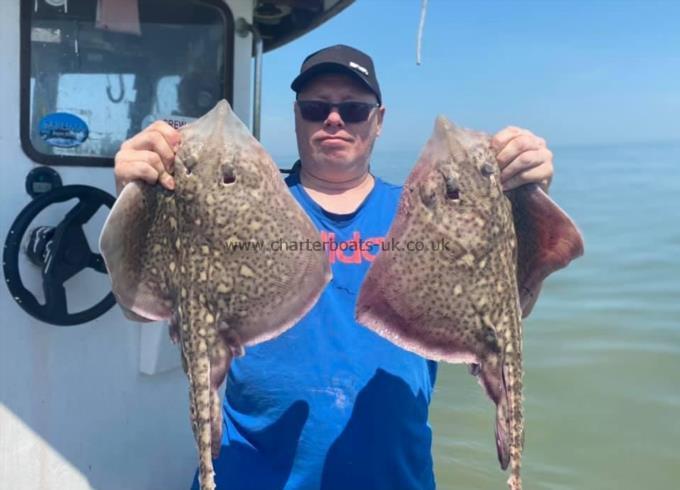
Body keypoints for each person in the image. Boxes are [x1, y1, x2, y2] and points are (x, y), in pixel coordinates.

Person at [114, 45, 553, 489]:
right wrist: (139, 200)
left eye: (354, 109)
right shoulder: (233, 207)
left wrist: (526, 202)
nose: (334, 119)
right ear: (297, 116)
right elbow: (141, 306)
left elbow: (502, 306)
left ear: (379, 121)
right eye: (315, 107)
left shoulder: (427, 214)